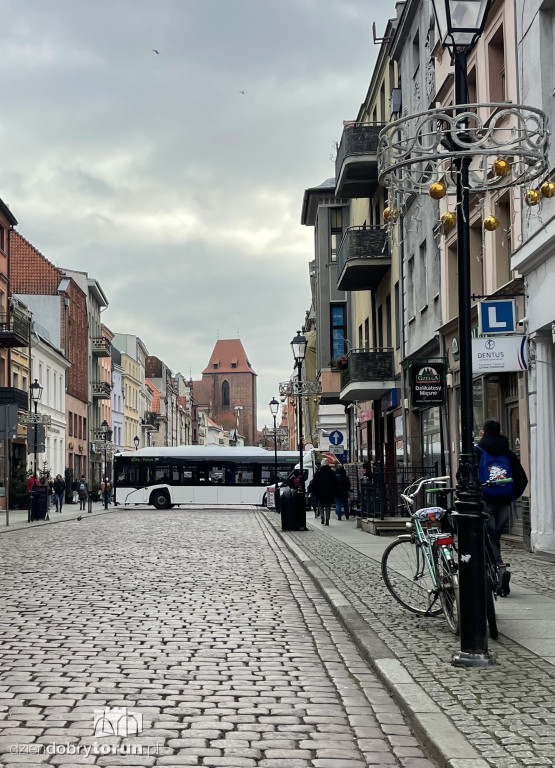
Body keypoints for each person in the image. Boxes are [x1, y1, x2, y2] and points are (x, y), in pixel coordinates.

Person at [476, 419, 528, 597]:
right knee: (495, 538)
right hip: (505, 503)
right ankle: (496, 574)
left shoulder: (477, 451)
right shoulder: (509, 453)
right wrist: (511, 495)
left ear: (483, 432)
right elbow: (522, 479)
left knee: (489, 539)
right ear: (499, 432)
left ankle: (499, 569)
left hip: (485, 501)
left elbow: (463, 476)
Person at [310, 457, 337, 526]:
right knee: (328, 505)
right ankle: (327, 518)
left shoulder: (318, 473)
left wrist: (312, 490)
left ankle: (322, 517)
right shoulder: (332, 473)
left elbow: (314, 483)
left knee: (320, 505)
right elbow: (335, 483)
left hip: (320, 492)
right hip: (329, 492)